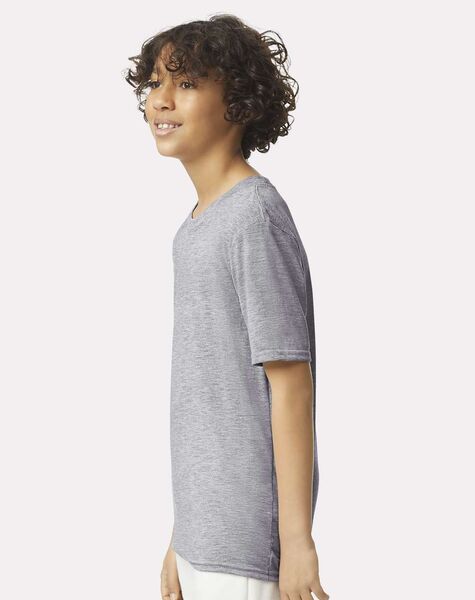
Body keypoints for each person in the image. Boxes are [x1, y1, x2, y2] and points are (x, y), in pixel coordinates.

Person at [124, 14, 329, 600]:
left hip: (246, 543)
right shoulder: (197, 226)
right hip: (205, 536)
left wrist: (297, 543)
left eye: (186, 83)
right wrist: (181, 536)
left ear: (237, 102)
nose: (161, 99)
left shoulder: (253, 217)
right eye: (156, 83)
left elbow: (290, 383)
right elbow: (211, 398)